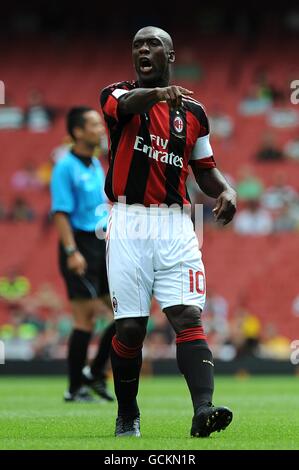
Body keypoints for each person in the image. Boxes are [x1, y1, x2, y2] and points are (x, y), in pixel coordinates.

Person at [100, 26, 237, 437]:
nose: (144, 49)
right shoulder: (116, 94)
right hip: (129, 219)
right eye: (138, 44)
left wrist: (226, 190)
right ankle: (127, 412)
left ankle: (203, 411)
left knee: (187, 315)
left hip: (177, 223)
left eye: (153, 44)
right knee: (131, 329)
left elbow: (205, 170)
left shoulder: (194, 113)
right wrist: (160, 94)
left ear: (170, 55)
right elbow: (129, 105)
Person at [50, 107, 115, 402]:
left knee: (124, 314)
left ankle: (94, 374)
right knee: (85, 317)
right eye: (93, 124)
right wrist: (71, 251)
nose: (100, 129)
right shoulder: (65, 167)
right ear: (77, 131)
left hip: (100, 244)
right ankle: (75, 386)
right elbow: (61, 213)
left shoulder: (94, 165)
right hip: (79, 244)